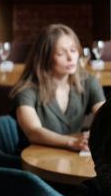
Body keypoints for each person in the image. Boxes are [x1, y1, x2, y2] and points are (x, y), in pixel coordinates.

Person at [10, 24, 105, 152]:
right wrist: (72, 142)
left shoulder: (88, 82)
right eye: (61, 53)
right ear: (45, 57)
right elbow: (33, 132)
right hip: (36, 160)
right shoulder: (27, 89)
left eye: (73, 50)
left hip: (71, 157)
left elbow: (106, 116)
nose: (71, 58)